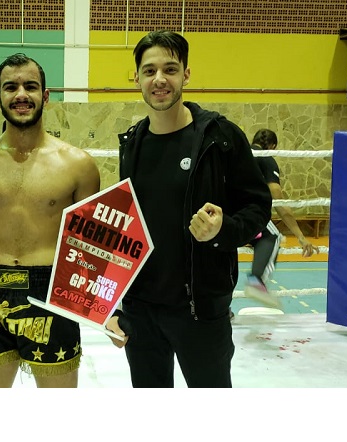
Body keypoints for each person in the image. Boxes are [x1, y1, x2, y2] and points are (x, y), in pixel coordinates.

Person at [105, 30, 272, 388]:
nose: (159, 79)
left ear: (186, 74)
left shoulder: (219, 138)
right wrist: (114, 305)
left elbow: (258, 207)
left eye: (170, 69)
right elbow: (127, 229)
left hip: (200, 311)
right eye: (149, 71)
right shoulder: (131, 144)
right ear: (136, 78)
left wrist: (222, 230)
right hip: (142, 311)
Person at [0, 53, 101, 388]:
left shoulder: (79, 165)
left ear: (45, 96)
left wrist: (105, 308)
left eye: (30, 86)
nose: (21, 94)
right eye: (11, 87)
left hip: (52, 291)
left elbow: (92, 251)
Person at [244, 128, 319, 309]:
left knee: (224, 248)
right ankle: (256, 281)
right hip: (246, 214)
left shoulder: (241, 153)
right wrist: (300, 237)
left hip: (220, 215)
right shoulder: (266, 157)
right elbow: (278, 198)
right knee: (272, 235)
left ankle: (222, 308)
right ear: (273, 146)